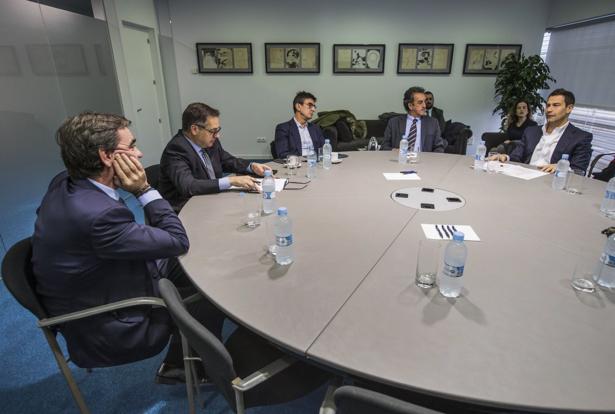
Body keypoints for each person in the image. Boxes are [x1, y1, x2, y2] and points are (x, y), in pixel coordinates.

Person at [31, 112, 226, 383]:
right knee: (211, 289)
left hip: (107, 277)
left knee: (201, 262)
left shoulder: (65, 181)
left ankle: (184, 358)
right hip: (111, 321)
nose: (140, 153)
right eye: (132, 146)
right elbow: (177, 240)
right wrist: (144, 189)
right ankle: (183, 368)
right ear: (107, 156)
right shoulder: (97, 216)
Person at [159, 103, 271, 212]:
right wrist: (230, 180)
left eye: (218, 130)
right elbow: (189, 186)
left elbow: (227, 160)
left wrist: (251, 167)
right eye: (213, 131)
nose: (217, 135)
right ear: (194, 129)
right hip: (187, 208)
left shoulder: (209, 142)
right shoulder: (176, 149)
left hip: (212, 199)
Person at [491, 89, 593, 173]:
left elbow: (579, 170)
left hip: (551, 182)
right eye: (548, 105)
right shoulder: (531, 131)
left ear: (569, 108)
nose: (549, 110)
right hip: (523, 177)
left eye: (556, 105)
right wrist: (505, 157)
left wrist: (562, 168)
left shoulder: (581, 137)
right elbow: (516, 156)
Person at [381, 86, 446, 152]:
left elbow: (439, 147)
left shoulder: (433, 123)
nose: (424, 106)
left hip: (424, 161)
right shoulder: (394, 122)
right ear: (410, 106)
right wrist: (394, 150)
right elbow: (384, 146)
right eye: (420, 102)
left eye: (424, 102)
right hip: (400, 160)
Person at [274, 91, 326, 158]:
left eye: (314, 106)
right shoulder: (283, 128)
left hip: (316, 164)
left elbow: (324, 149)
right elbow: (282, 154)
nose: (313, 109)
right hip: (297, 166)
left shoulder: (315, 128)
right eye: (310, 106)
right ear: (298, 107)